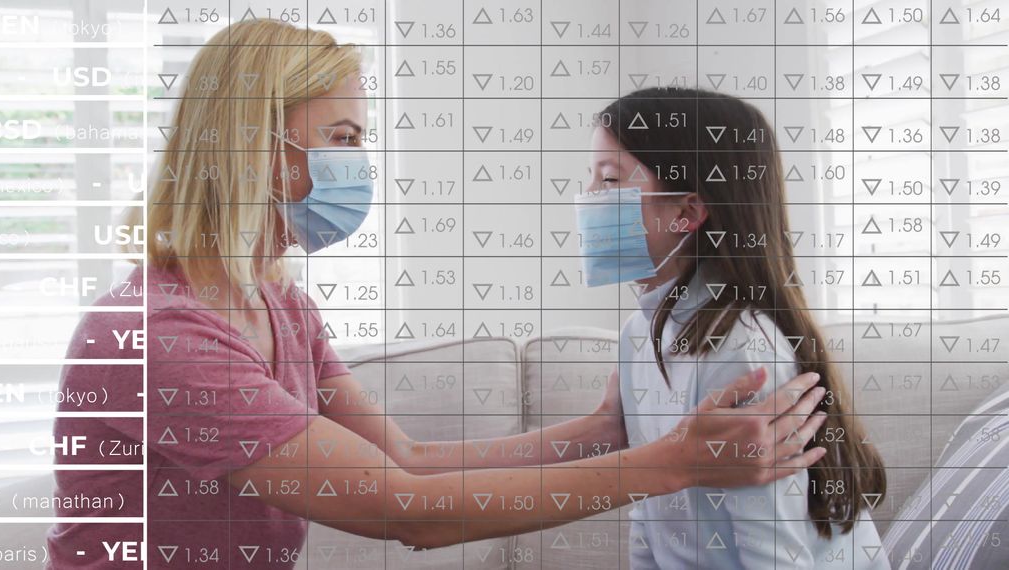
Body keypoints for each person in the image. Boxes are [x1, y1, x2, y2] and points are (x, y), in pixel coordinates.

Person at [46, 20, 829, 568]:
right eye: (343, 139)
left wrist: (603, 435)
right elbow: (404, 508)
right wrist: (673, 462)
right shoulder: (162, 334)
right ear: (256, 146)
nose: (361, 164)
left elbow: (408, 460)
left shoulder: (280, 305)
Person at [580, 87, 890, 569]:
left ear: (686, 212)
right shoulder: (639, 335)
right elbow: (648, 515)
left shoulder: (742, 352)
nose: (588, 197)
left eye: (609, 179)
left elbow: (775, 556)